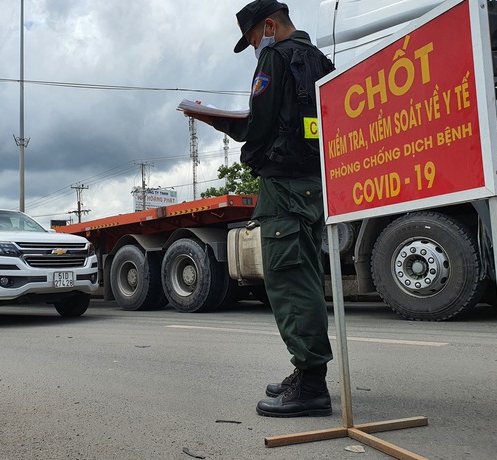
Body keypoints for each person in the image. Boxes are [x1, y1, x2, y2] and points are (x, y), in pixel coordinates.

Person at [184, 0, 334, 417]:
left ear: (269, 26)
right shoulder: (320, 60)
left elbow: (259, 125)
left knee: (288, 280)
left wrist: (216, 120)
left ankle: (310, 384)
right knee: (303, 275)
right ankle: (307, 372)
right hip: (315, 184)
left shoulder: (275, 55)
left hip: (285, 186)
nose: (254, 46)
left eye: (252, 37)